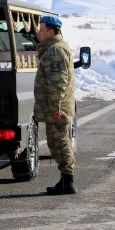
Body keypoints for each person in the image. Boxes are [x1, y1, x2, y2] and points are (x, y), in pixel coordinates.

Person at [34, 15, 76, 195]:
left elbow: (58, 82)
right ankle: (65, 180)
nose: (39, 33)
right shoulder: (55, 48)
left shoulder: (55, 51)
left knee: (59, 142)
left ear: (51, 32)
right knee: (58, 142)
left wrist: (55, 108)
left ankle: (68, 182)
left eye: (42, 30)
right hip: (55, 107)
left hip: (56, 109)